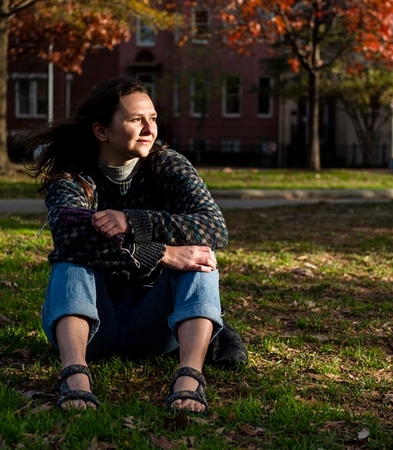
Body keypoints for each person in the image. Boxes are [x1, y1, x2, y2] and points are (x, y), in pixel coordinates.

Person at [25, 76, 245, 413]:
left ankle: (189, 377)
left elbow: (214, 227)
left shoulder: (167, 165)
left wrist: (134, 220)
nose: (149, 129)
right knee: (71, 262)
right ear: (102, 131)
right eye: (135, 120)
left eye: (152, 118)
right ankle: (74, 376)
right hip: (93, 325)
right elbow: (72, 241)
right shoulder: (71, 176)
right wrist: (162, 253)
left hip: (155, 327)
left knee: (201, 257)